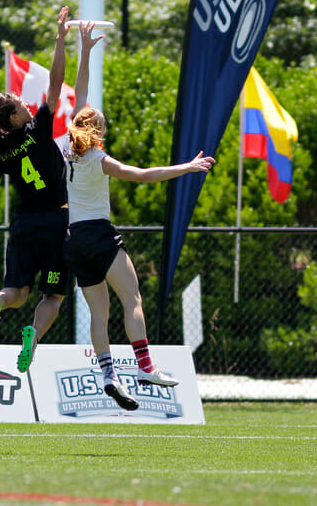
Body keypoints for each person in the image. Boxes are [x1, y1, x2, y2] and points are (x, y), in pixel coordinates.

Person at [64, 25, 215, 410]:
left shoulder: (65, 151)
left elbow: (79, 98)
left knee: (99, 313)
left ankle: (108, 374)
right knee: (132, 297)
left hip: (74, 240)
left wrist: (84, 49)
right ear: (97, 131)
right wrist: (189, 166)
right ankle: (145, 365)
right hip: (99, 234)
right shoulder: (99, 159)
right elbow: (145, 175)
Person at [0, 6, 71, 374]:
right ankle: (34, 332)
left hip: (22, 225)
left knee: (15, 293)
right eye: (20, 105)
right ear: (14, 117)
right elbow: (56, 84)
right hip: (55, 223)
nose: (27, 106)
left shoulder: (0, 150)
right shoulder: (38, 129)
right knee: (53, 296)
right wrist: (60, 39)